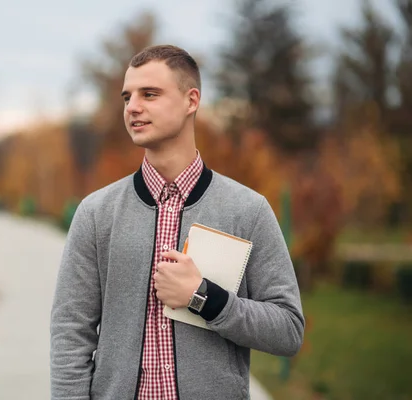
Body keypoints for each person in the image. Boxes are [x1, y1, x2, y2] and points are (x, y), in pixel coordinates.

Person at [50, 44, 304, 400]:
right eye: (127, 97)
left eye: (149, 94)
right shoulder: (95, 214)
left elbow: (289, 330)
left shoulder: (248, 210)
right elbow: (70, 331)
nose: (133, 107)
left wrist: (204, 297)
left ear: (191, 101)